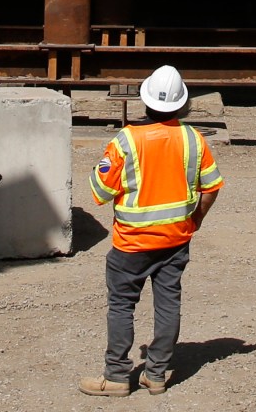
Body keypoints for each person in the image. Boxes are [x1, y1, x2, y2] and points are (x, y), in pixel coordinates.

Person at [81, 64, 222, 396]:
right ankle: (156, 374)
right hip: (175, 240)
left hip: (131, 244)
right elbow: (212, 187)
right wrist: (194, 221)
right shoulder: (193, 139)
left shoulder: (127, 140)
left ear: (145, 101)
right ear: (182, 104)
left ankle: (116, 377)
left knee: (121, 305)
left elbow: (100, 192)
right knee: (168, 304)